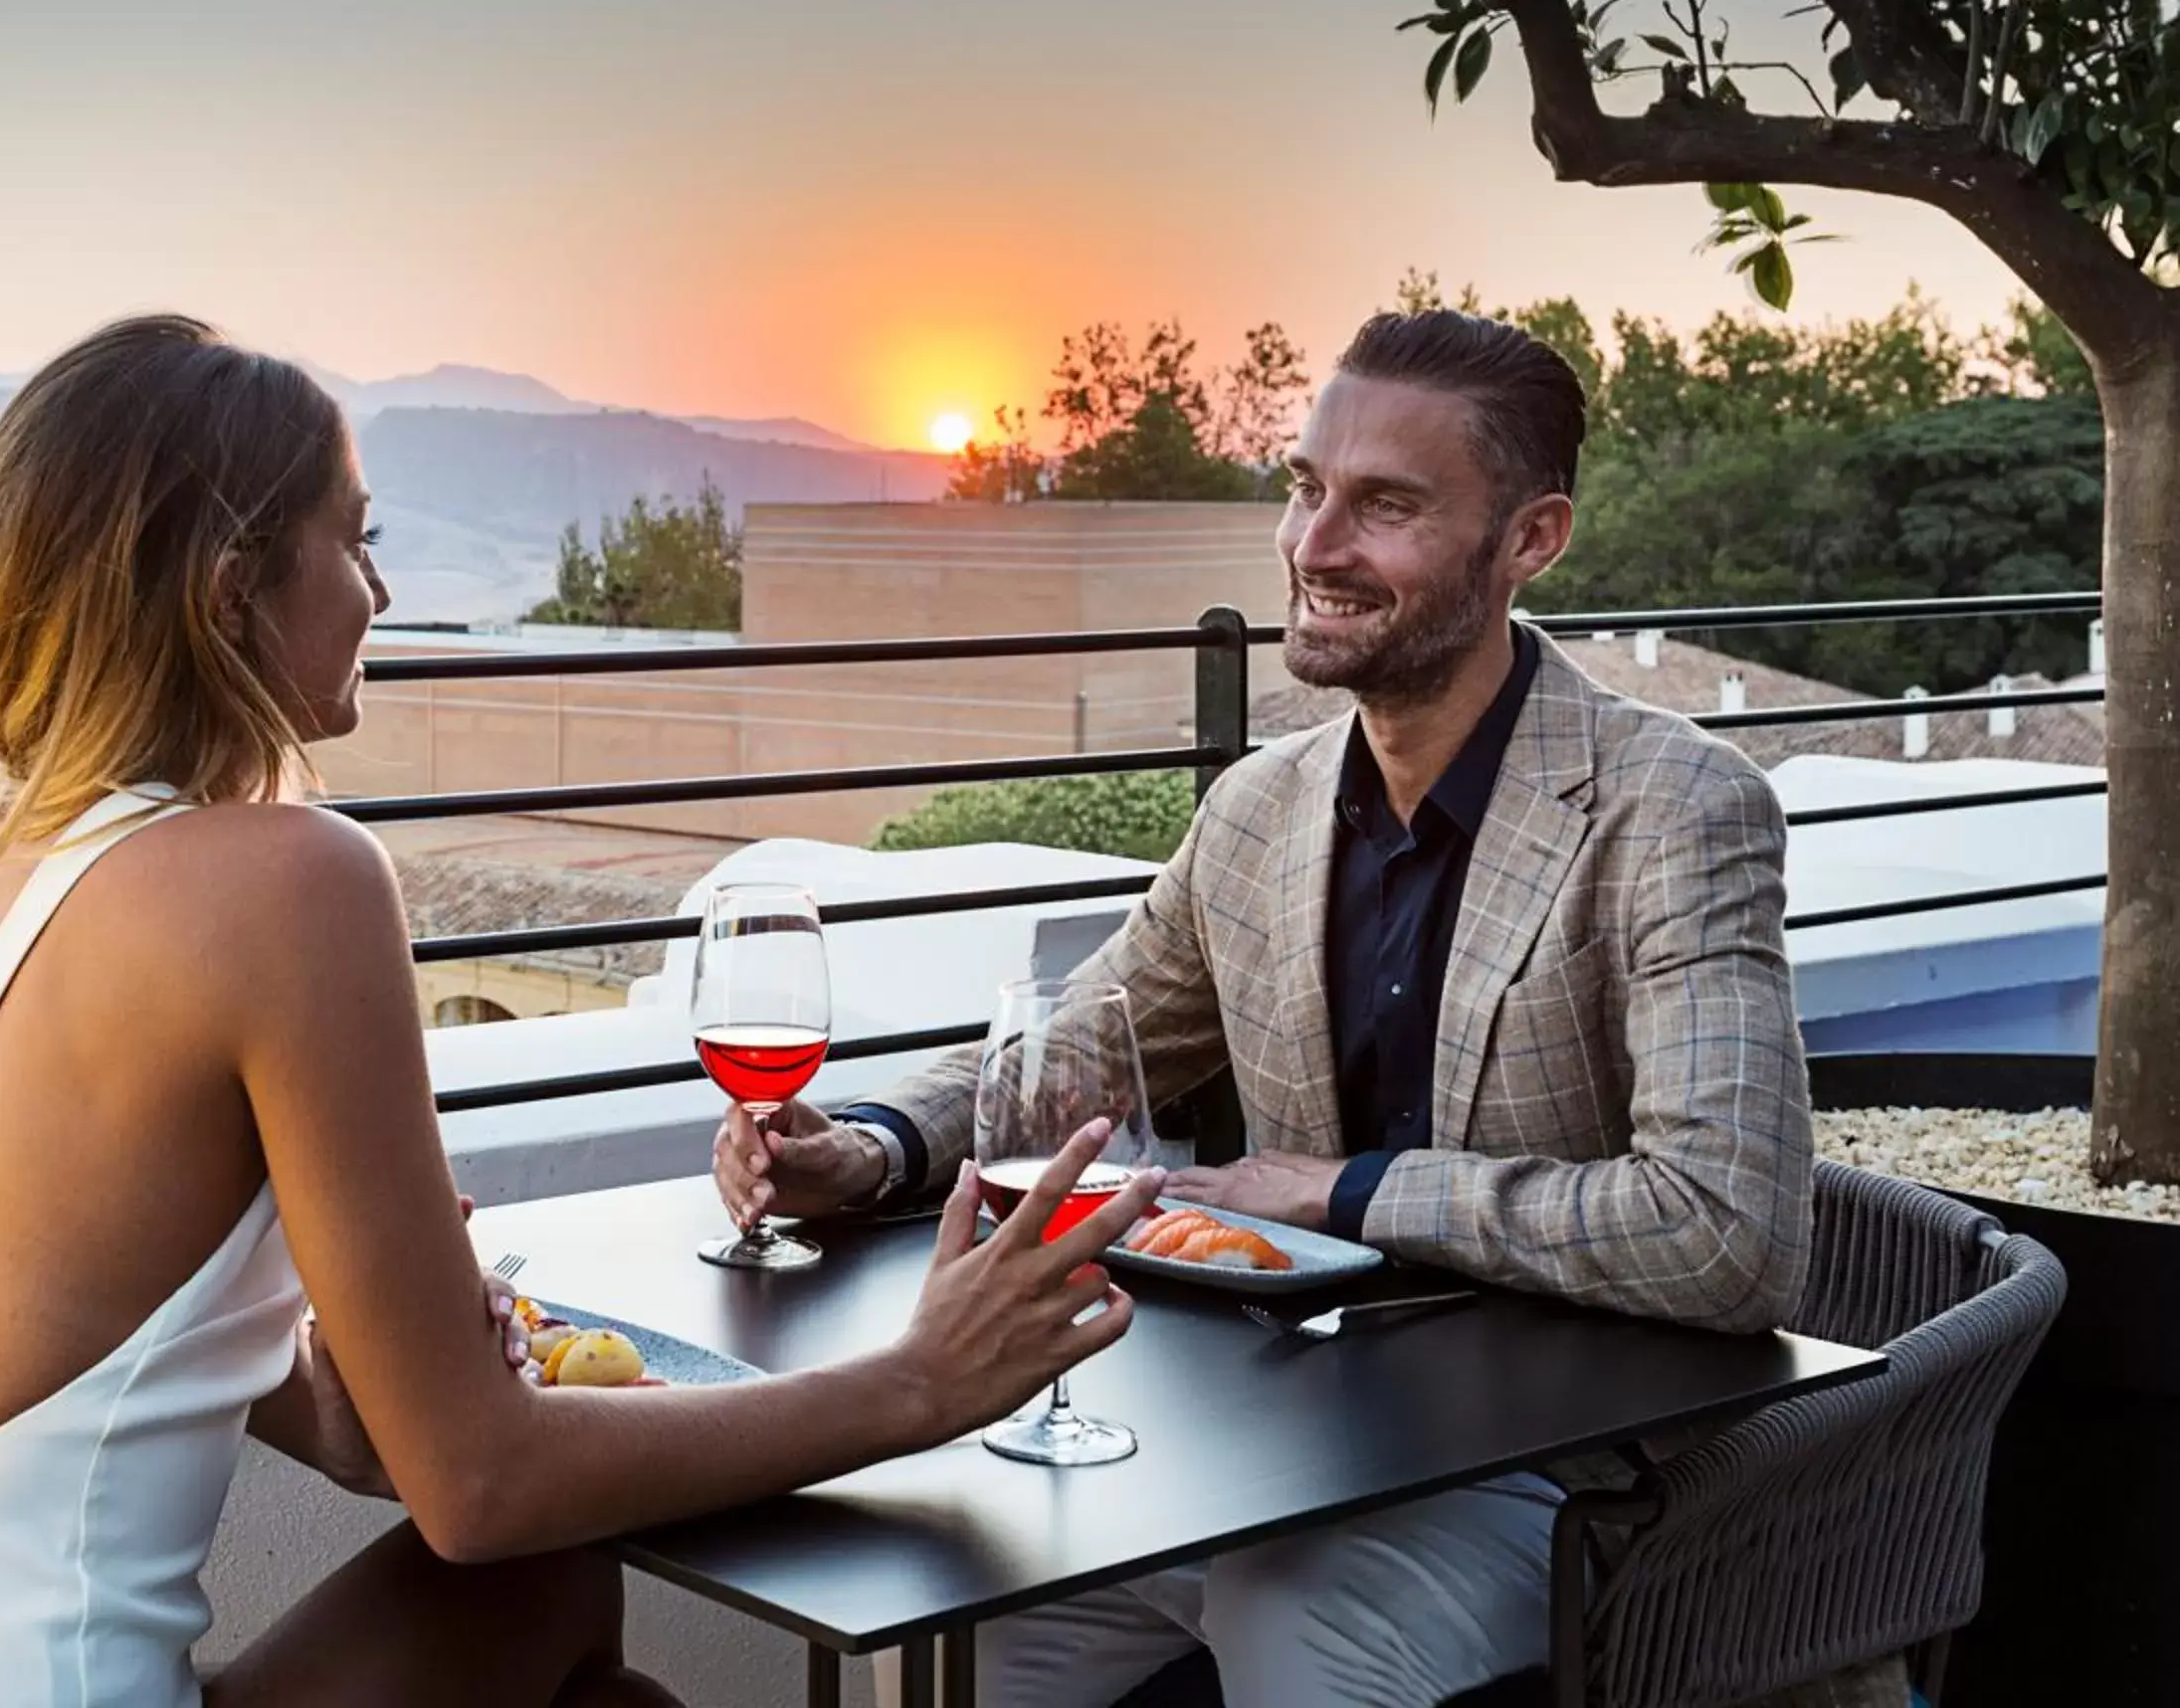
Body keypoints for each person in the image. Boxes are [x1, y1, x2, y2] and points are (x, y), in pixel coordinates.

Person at [0, 316, 1168, 1708]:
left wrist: (334, 1405)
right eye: (355, 538)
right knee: (539, 1577)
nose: (381, 595)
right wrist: (916, 1385)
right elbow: (479, 1487)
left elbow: (48, 1323)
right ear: (228, 593)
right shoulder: (287, 883)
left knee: (557, 1622)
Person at [710, 308, 1816, 1708]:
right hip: (1281, 1448)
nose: (1314, 545)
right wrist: (865, 1143)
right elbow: (1080, 1047)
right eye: (1305, 489)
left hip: (1576, 1480)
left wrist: (1349, 1194)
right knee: (971, 1625)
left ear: (1531, 541)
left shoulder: (1674, 810)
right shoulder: (1261, 811)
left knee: (1300, 1619)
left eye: (1388, 506)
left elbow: (1730, 1231)